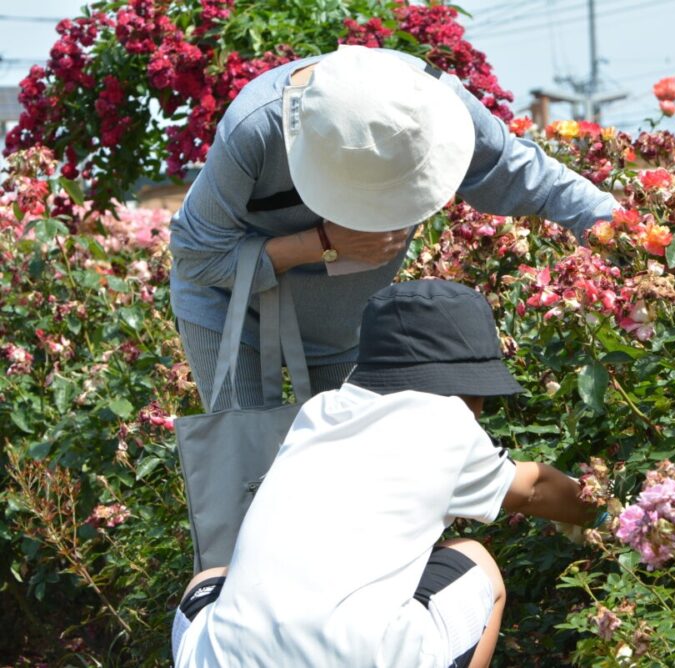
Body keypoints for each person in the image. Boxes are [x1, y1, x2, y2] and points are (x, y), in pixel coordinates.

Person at [170, 279, 598, 667]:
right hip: (366, 658)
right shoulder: (446, 420)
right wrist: (612, 514)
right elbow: (534, 487)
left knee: (211, 578)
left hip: (223, 661)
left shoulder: (319, 412)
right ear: (470, 386)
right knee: (476, 562)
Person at [169, 44, 617, 410]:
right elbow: (195, 257)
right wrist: (321, 244)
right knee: (246, 470)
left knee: (351, 466)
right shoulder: (257, 128)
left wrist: (623, 228)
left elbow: (517, 170)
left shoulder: (434, 101)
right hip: (232, 311)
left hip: (343, 321)